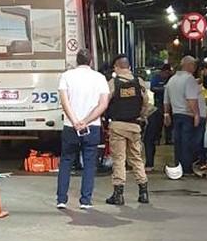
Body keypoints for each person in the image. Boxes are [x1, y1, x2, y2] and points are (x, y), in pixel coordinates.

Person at [56, 49, 110, 209]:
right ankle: (85, 200)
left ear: (76, 61)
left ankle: (61, 199)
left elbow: (65, 102)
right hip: (92, 127)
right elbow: (103, 104)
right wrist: (85, 121)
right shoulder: (100, 78)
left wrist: (75, 122)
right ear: (91, 61)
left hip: (70, 126)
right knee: (89, 162)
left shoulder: (66, 76)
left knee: (66, 161)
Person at [105, 55, 151, 205]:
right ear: (129, 67)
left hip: (118, 126)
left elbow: (104, 103)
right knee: (136, 158)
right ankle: (143, 192)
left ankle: (118, 195)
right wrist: (142, 117)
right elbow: (146, 103)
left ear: (116, 68)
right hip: (134, 126)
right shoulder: (139, 82)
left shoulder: (113, 83)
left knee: (119, 160)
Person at [164, 56, 200, 175]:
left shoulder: (172, 79)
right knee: (187, 142)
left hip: (176, 115)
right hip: (187, 115)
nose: (194, 68)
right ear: (188, 65)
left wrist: (166, 114)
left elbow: (166, 99)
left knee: (178, 142)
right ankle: (186, 168)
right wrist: (196, 114)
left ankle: (178, 165)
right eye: (193, 65)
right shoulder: (189, 79)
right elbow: (192, 99)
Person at [151, 64, 173, 144]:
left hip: (170, 103)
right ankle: (157, 139)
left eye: (168, 73)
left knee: (169, 122)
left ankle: (168, 139)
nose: (166, 75)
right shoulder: (156, 77)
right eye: (165, 73)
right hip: (159, 102)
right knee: (158, 122)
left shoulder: (171, 78)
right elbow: (152, 88)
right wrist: (164, 89)